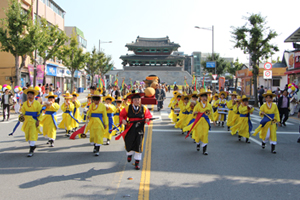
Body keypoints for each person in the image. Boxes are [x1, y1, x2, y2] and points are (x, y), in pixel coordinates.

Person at [119, 92, 152, 170]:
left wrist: (147, 119)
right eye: (135, 100)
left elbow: (148, 116)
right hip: (130, 126)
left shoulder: (144, 108)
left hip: (140, 127)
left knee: (139, 144)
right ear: (132, 101)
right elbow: (121, 115)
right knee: (129, 141)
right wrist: (123, 120)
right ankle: (129, 154)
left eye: (138, 100)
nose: (137, 101)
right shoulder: (127, 108)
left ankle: (137, 162)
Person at [189, 88, 216, 154]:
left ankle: (204, 150)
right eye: (203, 96)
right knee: (198, 134)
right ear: (200, 98)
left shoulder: (209, 105)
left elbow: (211, 113)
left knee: (205, 135)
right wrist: (195, 113)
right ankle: (198, 143)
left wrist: (213, 120)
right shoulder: (198, 105)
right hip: (198, 122)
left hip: (205, 122)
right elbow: (194, 113)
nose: (204, 98)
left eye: (205, 96)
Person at [20, 87, 43, 157]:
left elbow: (40, 112)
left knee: (33, 135)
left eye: (30, 94)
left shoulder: (37, 103)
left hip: (34, 121)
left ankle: (31, 150)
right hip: (27, 121)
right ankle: (32, 146)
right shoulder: (24, 104)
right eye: (28, 94)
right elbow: (22, 112)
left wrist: (38, 120)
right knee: (28, 135)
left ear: (33, 95)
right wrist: (21, 116)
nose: (29, 96)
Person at [85, 90, 108, 156]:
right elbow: (88, 113)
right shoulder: (91, 105)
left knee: (98, 135)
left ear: (99, 100)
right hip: (92, 122)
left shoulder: (103, 106)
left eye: (97, 100)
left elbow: (105, 115)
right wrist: (88, 116)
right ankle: (95, 146)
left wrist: (105, 123)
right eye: (94, 100)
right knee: (93, 135)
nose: (96, 102)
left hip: (99, 122)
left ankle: (98, 149)